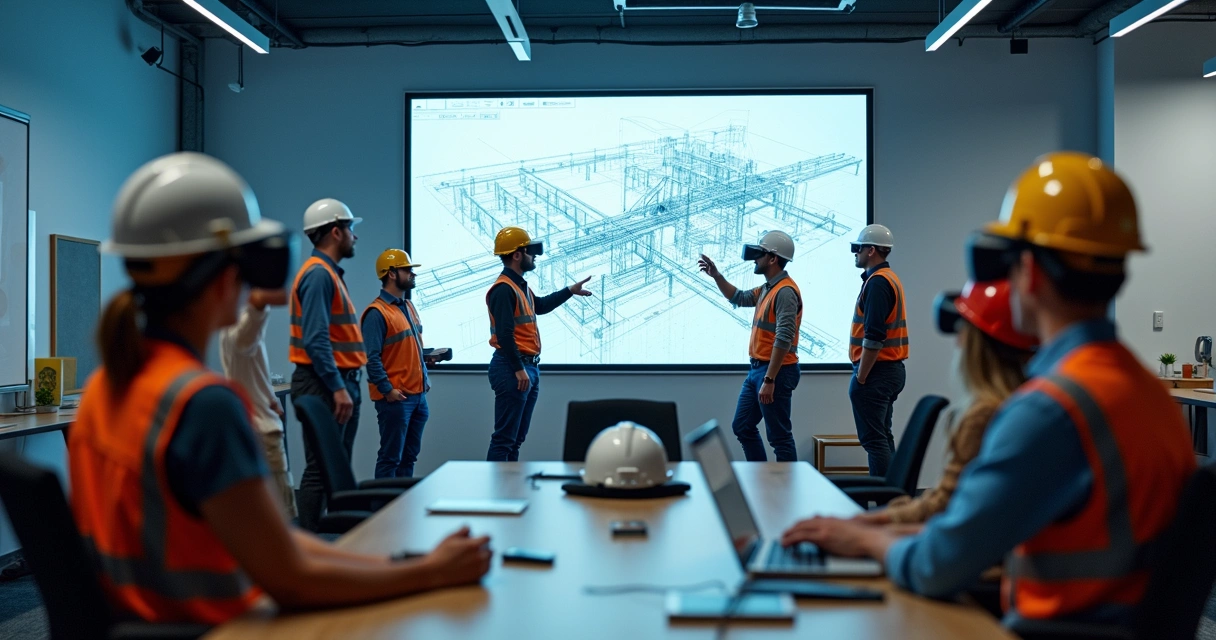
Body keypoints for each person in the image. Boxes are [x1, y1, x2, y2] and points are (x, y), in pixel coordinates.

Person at [69, 152, 491, 625]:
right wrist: (430, 573)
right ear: (225, 276)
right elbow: (290, 578)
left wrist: (398, 563)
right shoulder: (201, 406)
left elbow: (280, 548)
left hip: (155, 620)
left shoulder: (107, 386)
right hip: (218, 626)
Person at [781, 152, 1196, 631]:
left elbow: (938, 564)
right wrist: (872, 526)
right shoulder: (1149, 394)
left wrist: (861, 540)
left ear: (1029, 270)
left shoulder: (1050, 409)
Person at [854, 280, 1036, 526]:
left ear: (974, 342)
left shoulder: (984, 415)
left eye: (962, 330)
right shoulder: (1027, 404)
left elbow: (946, 515)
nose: (958, 341)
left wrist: (867, 528)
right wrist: (878, 520)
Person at [288, 198, 366, 532]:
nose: (354, 236)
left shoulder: (327, 274)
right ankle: (307, 545)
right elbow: (316, 339)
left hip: (337, 382)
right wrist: (337, 387)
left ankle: (337, 539)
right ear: (336, 232)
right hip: (324, 383)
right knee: (321, 469)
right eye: (350, 229)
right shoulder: (319, 275)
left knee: (337, 468)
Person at [486, 226, 593, 462]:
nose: (534, 256)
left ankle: (510, 483)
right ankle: (496, 486)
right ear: (517, 255)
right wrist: (518, 369)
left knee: (515, 440)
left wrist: (570, 291)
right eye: (529, 251)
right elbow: (504, 335)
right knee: (504, 440)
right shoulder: (503, 289)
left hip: (526, 367)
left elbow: (541, 306)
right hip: (512, 368)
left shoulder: (519, 285)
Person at [698, 230, 803, 462]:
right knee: (742, 426)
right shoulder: (768, 288)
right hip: (758, 370)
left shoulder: (785, 292)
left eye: (760, 254)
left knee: (779, 437)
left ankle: (788, 485)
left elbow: (784, 338)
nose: (755, 259)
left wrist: (769, 379)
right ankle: (760, 476)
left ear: (773, 258)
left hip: (776, 372)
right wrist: (717, 276)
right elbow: (739, 297)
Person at [218, 287, 298, 520]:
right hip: (263, 433)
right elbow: (253, 319)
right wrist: (262, 300)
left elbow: (251, 375)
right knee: (280, 516)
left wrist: (271, 399)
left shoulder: (230, 331)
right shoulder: (240, 334)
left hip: (257, 426)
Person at [361, 249, 430, 479]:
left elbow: (406, 348)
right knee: (390, 458)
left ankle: (402, 501)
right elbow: (371, 358)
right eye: (407, 270)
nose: (412, 274)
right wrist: (387, 390)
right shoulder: (376, 313)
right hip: (396, 399)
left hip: (418, 396)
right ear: (391, 274)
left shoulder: (408, 306)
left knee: (409, 457)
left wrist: (426, 361)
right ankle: (383, 502)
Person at [848, 223, 909, 477]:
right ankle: (892, 495)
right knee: (882, 437)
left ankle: (882, 498)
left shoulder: (878, 283)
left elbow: (874, 337)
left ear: (871, 250)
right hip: (889, 370)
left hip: (876, 372)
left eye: (858, 248)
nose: (856, 253)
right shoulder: (888, 278)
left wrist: (861, 376)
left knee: (874, 441)